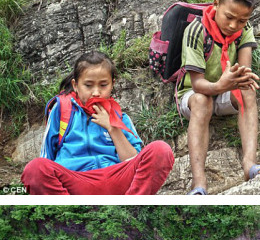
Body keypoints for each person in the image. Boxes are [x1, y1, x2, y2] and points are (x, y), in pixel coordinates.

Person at [21, 54, 175, 199]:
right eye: (88, 85)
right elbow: (46, 157)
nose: (96, 92)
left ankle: (131, 204)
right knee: (35, 169)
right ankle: (72, 209)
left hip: (117, 178)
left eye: (103, 85)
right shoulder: (62, 111)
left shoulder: (121, 118)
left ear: (112, 84)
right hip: (75, 181)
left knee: (161, 150)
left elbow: (134, 162)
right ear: (75, 85)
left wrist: (112, 127)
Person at [177, 0, 260, 197]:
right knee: (202, 101)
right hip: (194, 95)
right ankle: (199, 183)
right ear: (216, 4)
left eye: (242, 20)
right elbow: (197, 84)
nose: (234, 25)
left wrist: (237, 80)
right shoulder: (196, 30)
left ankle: (249, 164)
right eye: (229, 17)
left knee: (247, 91)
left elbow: (243, 73)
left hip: (225, 89)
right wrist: (222, 85)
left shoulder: (244, 30)